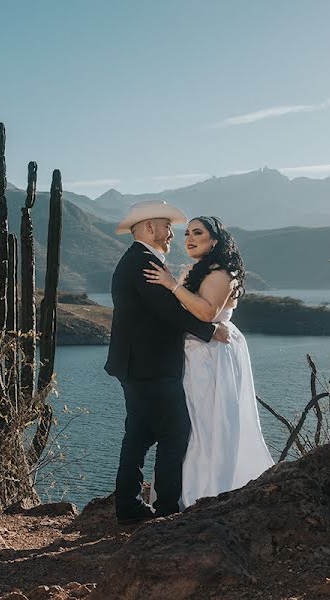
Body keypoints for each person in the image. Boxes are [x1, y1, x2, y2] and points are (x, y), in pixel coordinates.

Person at [105, 200, 230, 525]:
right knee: (175, 432)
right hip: (150, 366)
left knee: (139, 434)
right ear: (149, 227)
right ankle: (166, 512)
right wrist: (209, 330)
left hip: (138, 364)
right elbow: (168, 311)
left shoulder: (138, 260)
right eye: (167, 226)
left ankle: (129, 507)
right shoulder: (142, 262)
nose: (172, 233)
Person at [143, 216, 274, 509]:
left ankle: (206, 495)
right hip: (196, 350)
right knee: (189, 424)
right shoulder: (197, 269)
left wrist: (171, 285)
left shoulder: (220, 275)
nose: (189, 238)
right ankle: (180, 495)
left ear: (214, 241)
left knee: (206, 423)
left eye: (197, 233)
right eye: (187, 233)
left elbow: (205, 312)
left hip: (212, 354)